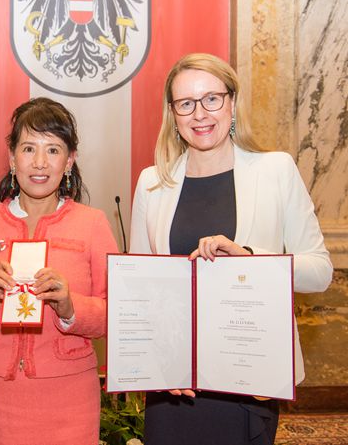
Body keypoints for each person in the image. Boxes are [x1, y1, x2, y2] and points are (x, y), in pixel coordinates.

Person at [130, 53, 333, 445]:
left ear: (232, 102)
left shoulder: (276, 170)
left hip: (247, 377)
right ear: (172, 114)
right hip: (175, 382)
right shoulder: (152, 183)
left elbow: (320, 272)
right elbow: (142, 289)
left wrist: (250, 259)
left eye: (212, 98)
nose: (199, 114)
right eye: (185, 103)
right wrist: (153, 364)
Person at [0, 97, 118, 445]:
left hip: (69, 398)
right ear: (11, 157)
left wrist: (71, 307)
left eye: (53, 150)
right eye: (28, 148)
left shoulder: (92, 224)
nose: (39, 162)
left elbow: (118, 314)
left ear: (69, 161)